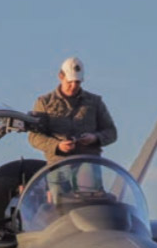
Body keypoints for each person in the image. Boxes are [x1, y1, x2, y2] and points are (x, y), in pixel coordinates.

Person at [28, 56, 117, 202]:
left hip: (88, 164)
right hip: (58, 165)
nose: (73, 86)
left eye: (77, 82)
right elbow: (34, 137)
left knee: (91, 207)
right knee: (59, 209)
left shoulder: (95, 102)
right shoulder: (44, 102)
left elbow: (111, 132)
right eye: (70, 82)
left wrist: (95, 138)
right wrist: (57, 145)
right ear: (61, 76)